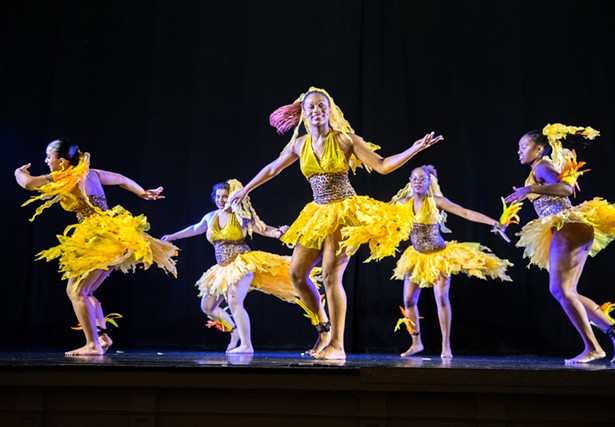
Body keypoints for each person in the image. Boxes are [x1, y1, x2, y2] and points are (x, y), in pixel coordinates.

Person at [229, 86, 443, 359]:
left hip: (343, 211)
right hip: (317, 212)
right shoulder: (300, 144)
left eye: (322, 106)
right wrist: (245, 189)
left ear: (331, 111)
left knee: (331, 276)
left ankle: (338, 346)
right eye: (311, 108)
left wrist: (413, 149)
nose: (317, 111)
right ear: (304, 115)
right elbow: (273, 168)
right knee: (296, 273)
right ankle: (324, 329)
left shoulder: (344, 140)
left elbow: (382, 164)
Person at [15, 138, 178, 356]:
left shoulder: (66, 176)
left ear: (62, 161)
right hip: (115, 232)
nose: (46, 161)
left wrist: (18, 171)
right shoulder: (92, 173)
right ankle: (101, 337)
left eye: (49, 157)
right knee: (86, 291)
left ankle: (93, 345)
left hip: (98, 236)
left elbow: (28, 183)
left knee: (76, 291)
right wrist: (142, 192)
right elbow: (121, 179)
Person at [504, 123, 615, 364]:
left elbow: (566, 189)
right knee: (568, 291)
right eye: (518, 147)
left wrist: (530, 188)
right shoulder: (538, 168)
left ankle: (593, 347)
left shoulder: (543, 166)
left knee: (560, 290)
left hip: (567, 226)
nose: (519, 151)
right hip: (571, 228)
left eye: (524, 146)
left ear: (539, 149)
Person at [347, 165, 513, 358]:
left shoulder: (436, 201)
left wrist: (494, 223)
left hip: (439, 255)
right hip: (417, 256)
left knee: (441, 298)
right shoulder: (403, 203)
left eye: (422, 179)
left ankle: (445, 346)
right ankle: (416, 342)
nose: (418, 182)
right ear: (410, 182)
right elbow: (379, 216)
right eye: (414, 179)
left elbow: (465, 213)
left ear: (429, 182)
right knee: (408, 300)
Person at [162, 179, 317, 354]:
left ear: (233, 197)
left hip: (242, 264)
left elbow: (264, 229)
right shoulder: (210, 217)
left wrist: (279, 232)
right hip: (222, 268)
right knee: (208, 306)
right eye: (218, 196)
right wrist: (173, 236)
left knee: (234, 301)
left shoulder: (241, 217)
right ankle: (235, 332)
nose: (221, 200)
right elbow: (195, 228)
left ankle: (246, 345)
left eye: (225, 196)